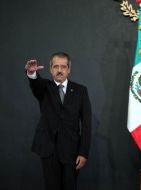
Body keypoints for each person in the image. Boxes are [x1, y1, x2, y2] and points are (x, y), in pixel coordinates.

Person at [25, 52, 91, 190]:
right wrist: (31, 74)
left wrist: (83, 152)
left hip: (72, 150)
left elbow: (86, 124)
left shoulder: (81, 91)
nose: (59, 70)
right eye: (56, 67)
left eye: (63, 67)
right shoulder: (44, 87)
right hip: (48, 149)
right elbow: (35, 82)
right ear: (50, 69)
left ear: (69, 69)